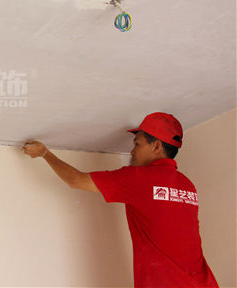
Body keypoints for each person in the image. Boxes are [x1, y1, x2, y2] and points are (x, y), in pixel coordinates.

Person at [22, 112, 218, 287]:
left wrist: (44, 153)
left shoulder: (139, 178)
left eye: (137, 144)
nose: (132, 151)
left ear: (157, 146)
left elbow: (76, 180)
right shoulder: (187, 185)